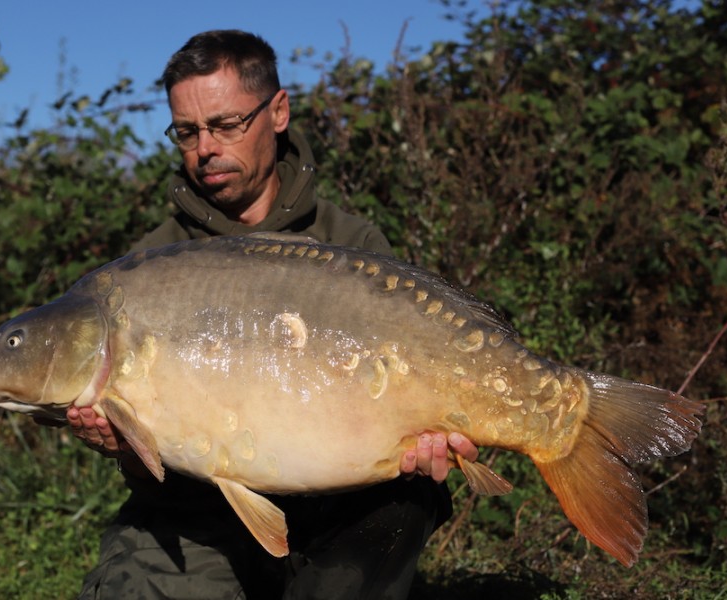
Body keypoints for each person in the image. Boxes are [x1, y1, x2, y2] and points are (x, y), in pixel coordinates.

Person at [73, 30, 479, 600]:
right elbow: (153, 467)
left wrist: (425, 445)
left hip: (338, 509)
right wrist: (124, 450)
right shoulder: (152, 266)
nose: (205, 148)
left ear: (278, 111)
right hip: (198, 514)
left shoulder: (349, 242)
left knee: (407, 503)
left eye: (225, 125)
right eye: (187, 132)